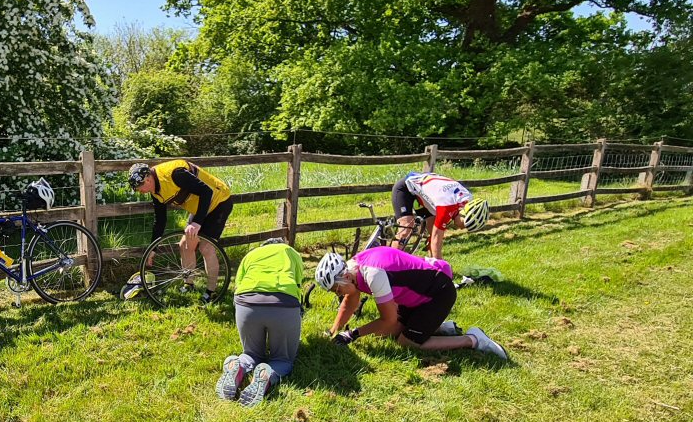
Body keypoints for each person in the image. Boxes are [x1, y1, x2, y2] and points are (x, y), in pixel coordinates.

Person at [314, 247, 508, 359]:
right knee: (389, 335)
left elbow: (387, 320)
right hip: (418, 296)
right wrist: (332, 331)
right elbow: (351, 300)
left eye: (337, 290)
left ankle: (472, 340)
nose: (338, 294)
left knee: (406, 343)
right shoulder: (353, 269)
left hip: (437, 294)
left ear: (346, 276)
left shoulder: (373, 275)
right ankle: (442, 328)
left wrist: (352, 334)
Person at [127, 160, 233, 302]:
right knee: (184, 245)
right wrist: (153, 249)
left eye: (139, 188)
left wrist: (197, 223)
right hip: (200, 206)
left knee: (206, 247)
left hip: (218, 201)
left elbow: (207, 192)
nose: (140, 192)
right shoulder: (155, 191)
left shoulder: (175, 174)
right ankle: (189, 284)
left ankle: (211, 292)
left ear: (147, 179)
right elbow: (160, 221)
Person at [216, 239, 304, 407]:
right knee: (282, 359)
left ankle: (238, 365)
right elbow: (298, 284)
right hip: (283, 304)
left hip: (246, 304)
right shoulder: (291, 252)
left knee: (252, 354)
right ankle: (267, 373)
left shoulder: (250, 255)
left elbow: (238, 285)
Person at [391, 172, 490, 259]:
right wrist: (442, 269)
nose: (461, 228)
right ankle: (389, 266)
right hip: (406, 188)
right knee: (406, 228)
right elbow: (436, 240)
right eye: (465, 225)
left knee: (432, 231)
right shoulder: (447, 206)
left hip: (427, 196)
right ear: (463, 214)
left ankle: (431, 269)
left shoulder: (467, 199)